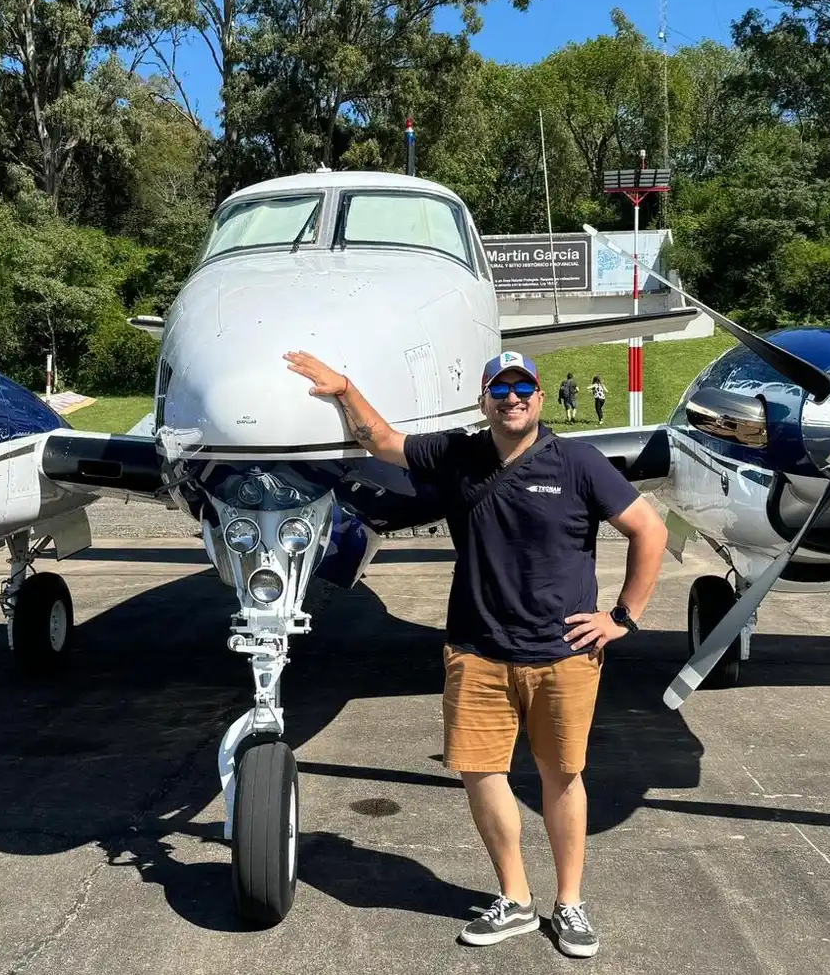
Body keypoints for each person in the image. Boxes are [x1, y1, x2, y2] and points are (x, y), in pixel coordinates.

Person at [284, 347, 667, 958]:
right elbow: (381, 442)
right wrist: (343, 389)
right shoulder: (459, 455)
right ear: (484, 399)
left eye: (523, 389)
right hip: (476, 651)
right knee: (480, 771)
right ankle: (514, 898)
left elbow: (650, 529)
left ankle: (569, 904)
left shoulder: (579, 462)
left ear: (540, 398)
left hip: (562, 652)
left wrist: (623, 617)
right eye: (499, 389)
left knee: (562, 776)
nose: (511, 398)